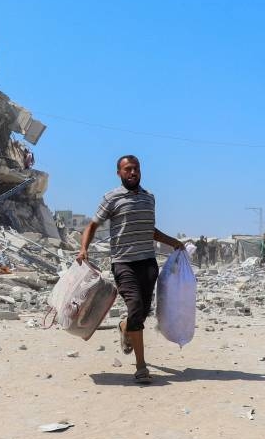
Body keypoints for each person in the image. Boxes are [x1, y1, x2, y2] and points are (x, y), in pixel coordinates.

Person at [78, 155, 185, 384]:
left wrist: (173, 242)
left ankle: (125, 326)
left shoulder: (149, 198)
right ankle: (141, 367)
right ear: (119, 173)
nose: (133, 172)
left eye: (136, 169)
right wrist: (83, 249)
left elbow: (151, 231)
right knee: (135, 307)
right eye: (128, 169)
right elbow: (92, 225)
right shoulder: (111, 198)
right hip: (123, 262)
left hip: (148, 263)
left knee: (141, 312)